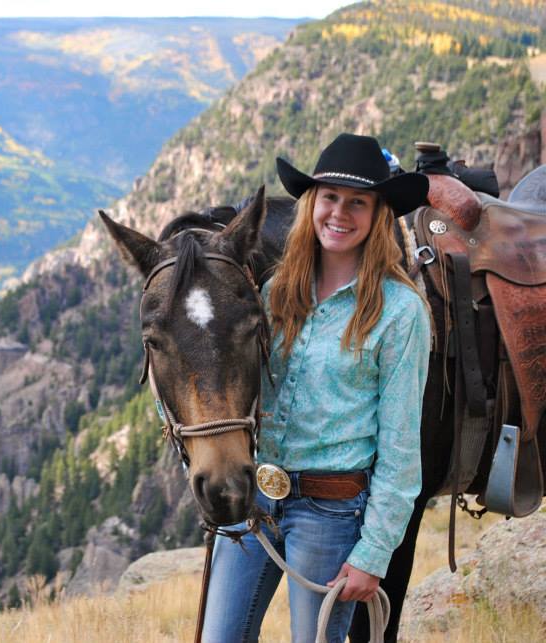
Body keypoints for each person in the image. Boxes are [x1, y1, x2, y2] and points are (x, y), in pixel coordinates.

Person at [201, 133, 432, 643]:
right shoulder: (275, 291)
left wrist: (372, 555)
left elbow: (400, 449)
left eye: (357, 202)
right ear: (312, 204)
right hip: (254, 500)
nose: (339, 213)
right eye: (330, 197)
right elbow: (226, 383)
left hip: (331, 512)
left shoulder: (400, 312)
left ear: (377, 215)